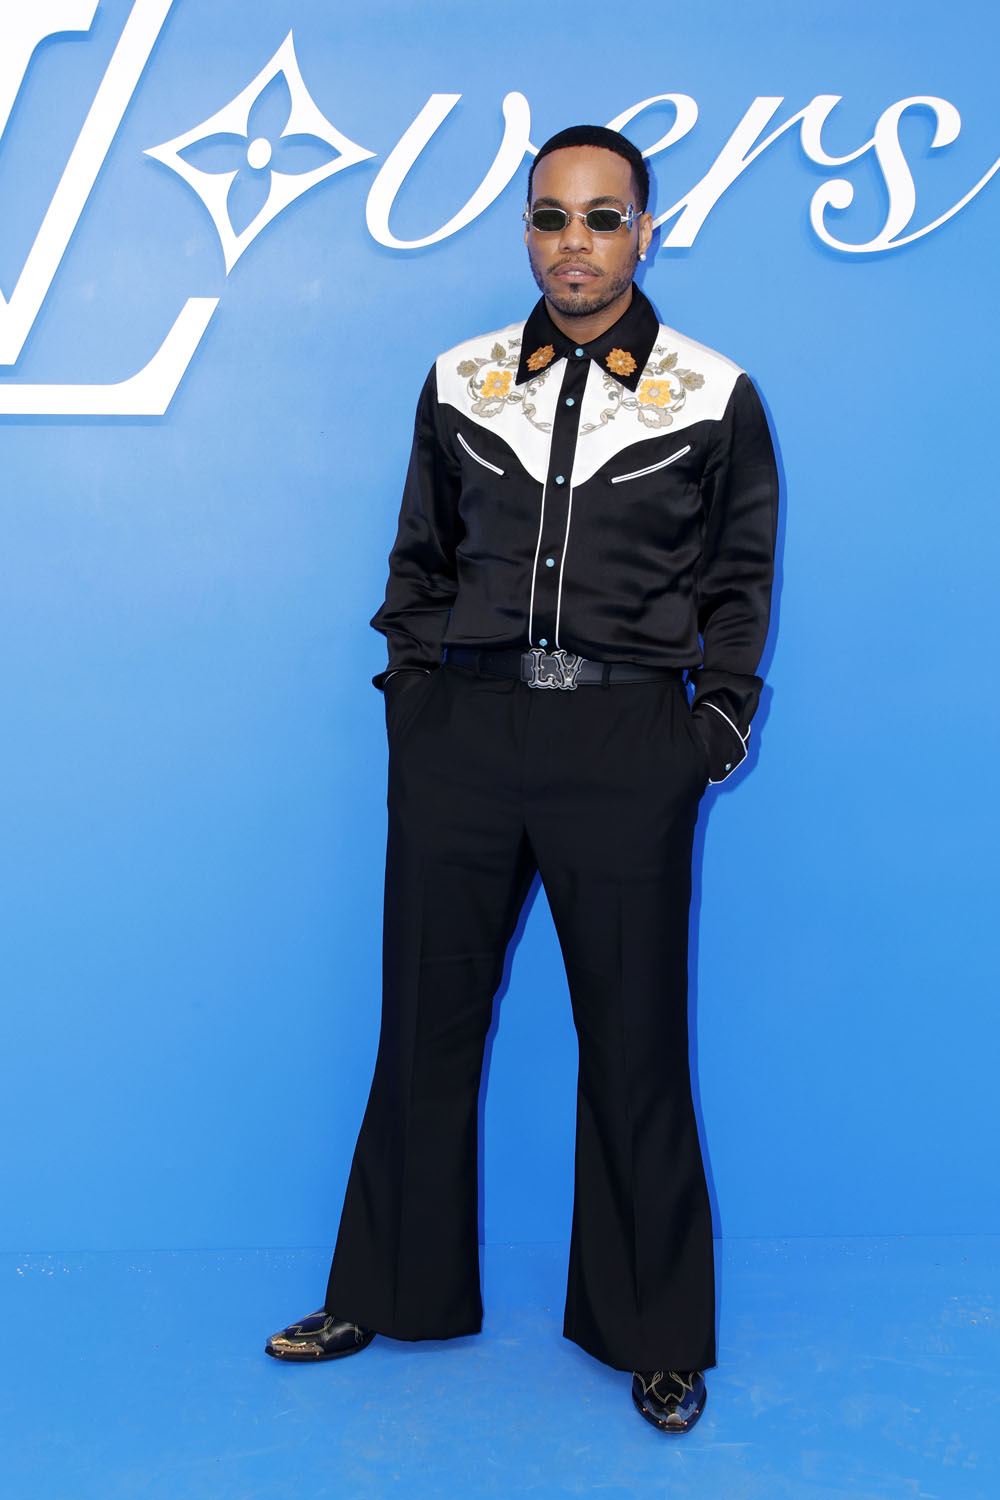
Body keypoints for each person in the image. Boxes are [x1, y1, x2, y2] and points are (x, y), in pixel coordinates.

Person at [265, 124, 779, 1436]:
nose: (575, 243)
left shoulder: (714, 396)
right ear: (529, 230)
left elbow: (738, 584)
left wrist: (710, 732)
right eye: (552, 217)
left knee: (638, 1047)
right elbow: (418, 561)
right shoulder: (461, 379)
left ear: (644, 231)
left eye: (603, 218)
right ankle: (384, 1292)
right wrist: (415, 704)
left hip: (627, 747)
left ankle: (654, 1333)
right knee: (422, 1027)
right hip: (467, 741)